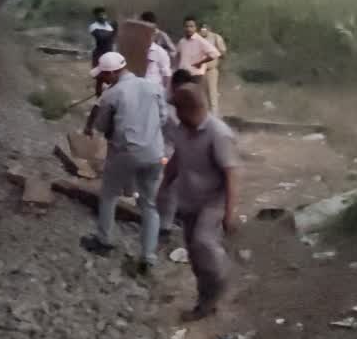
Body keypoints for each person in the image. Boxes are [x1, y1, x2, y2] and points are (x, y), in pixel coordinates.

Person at [80, 52, 168, 275]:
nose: (103, 79)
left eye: (103, 76)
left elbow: (101, 127)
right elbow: (163, 118)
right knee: (149, 205)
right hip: (155, 153)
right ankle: (148, 257)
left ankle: (104, 240)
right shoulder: (153, 87)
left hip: (126, 153)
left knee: (109, 195)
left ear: (111, 72)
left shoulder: (112, 94)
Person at [163, 84, 241, 321]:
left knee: (203, 242)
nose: (176, 114)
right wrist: (165, 183)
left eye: (179, 110)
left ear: (191, 108)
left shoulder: (218, 134)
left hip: (213, 200)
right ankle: (205, 302)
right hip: (190, 197)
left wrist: (229, 212)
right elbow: (178, 156)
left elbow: (231, 173)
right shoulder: (183, 130)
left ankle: (222, 277)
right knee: (196, 256)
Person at [156, 69, 197, 243]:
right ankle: (166, 223)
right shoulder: (168, 103)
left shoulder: (173, 105)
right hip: (168, 150)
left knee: (169, 188)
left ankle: (164, 227)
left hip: (173, 151)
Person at [175, 15, 220, 97]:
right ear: (183, 27)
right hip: (182, 76)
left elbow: (215, 53)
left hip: (195, 76)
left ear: (196, 28)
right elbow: (177, 55)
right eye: (186, 26)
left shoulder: (200, 41)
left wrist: (200, 63)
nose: (189, 29)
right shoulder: (182, 41)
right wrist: (177, 68)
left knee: (193, 100)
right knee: (182, 101)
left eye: (191, 26)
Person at [199, 22, 228, 115]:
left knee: (212, 95)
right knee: (200, 96)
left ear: (209, 28)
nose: (203, 29)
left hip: (211, 70)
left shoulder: (215, 37)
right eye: (202, 28)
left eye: (205, 27)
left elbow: (223, 53)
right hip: (198, 71)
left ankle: (214, 117)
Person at [89, 7, 117, 97]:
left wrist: (114, 31)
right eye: (100, 15)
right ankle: (99, 99)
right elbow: (101, 38)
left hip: (109, 54)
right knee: (100, 78)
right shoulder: (93, 26)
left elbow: (113, 39)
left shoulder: (109, 26)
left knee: (110, 78)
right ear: (96, 16)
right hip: (99, 55)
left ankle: (108, 99)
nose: (103, 16)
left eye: (104, 14)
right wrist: (114, 31)